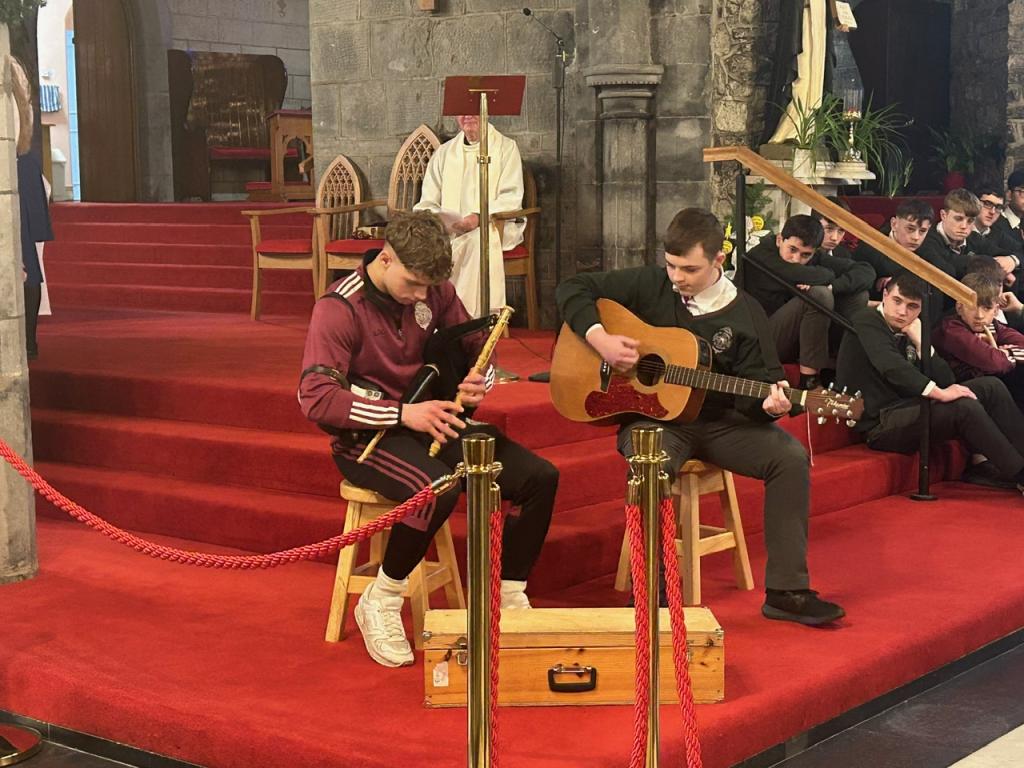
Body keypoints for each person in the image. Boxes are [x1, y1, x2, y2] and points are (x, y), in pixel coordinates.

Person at [557, 207, 845, 626]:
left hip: (720, 422)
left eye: (689, 269)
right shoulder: (653, 283)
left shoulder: (746, 312)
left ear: (718, 260)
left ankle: (787, 591)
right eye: (671, 265)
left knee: (789, 457)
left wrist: (771, 405)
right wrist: (599, 338)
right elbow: (573, 287)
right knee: (650, 460)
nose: (677, 277)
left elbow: (760, 387)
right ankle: (651, 594)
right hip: (653, 419)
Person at [299, 211, 557, 668]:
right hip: (368, 437)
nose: (423, 296)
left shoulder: (436, 290)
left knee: (539, 477)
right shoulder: (339, 307)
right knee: (437, 488)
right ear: (386, 258)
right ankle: (381, 599)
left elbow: (478, 350)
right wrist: (404, 414)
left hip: (432, 419)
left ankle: (507, 593)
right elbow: (316, 399)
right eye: (414, 284)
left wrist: (481, 380)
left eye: (429, 286)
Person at [836, 271, 1024, 494]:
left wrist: (922, 344)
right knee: (964, 407)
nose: (902, 312)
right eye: (897, 301)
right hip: (879, 422)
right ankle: (1021, 475)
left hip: (909, 409)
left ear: (920, 308)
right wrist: (940, 393)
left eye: (912, 306)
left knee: (991, 386)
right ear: (885, 295)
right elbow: (891, 367)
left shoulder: (913, 327)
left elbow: (946, 379)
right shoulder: (866, 320)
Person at [745, 214, 872, 389]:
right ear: (780, 240)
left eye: (805, 255)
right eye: (792, 250)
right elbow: (794, 273)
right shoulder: (760, 255)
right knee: (819, 295)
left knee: (858, 295)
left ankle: (837, 369)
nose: (796, 259)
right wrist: (827, 277)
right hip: (761, 339)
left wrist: (833, 286)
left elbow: (866, 271)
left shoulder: (813, 257)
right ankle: (809, 381)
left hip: (797, 335)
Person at [414, 115, 525, 317]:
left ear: (485, 110)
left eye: (473, 109)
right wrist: (440, 220)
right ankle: (429, 317)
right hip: (448, 232)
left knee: (478, 240)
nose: (467, 116)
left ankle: (465, 318)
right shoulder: (444, 153)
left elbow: (512, 197)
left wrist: (478, 217)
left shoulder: (506, 148)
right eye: (461, 111)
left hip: (495, 227)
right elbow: (427, 202)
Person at [934, 272, 1024, 412]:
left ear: (996, 310)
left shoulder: (992, 325)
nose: (979, 315)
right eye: (972, 307)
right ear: (959, 307)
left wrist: (1005, 353)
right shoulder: (951, 328)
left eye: (986, 308)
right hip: (953, 394)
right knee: (993, 385)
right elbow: (994, 363)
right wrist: (1007, 353)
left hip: (980, 391)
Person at [11, 57, 51, 360]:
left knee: (27, 260)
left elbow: (22, 114)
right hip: (18, 159)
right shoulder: (13, 69)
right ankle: (27, 341)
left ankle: (28, 341)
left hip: (17, 158)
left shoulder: (11, 70)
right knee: (26, 258)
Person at [852, 199, 934, 301]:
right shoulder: (869, 248)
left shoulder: (929, 247)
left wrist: (902, 280)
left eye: (922, 231)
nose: (916, 237)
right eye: (910, 229)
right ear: (894, 224)